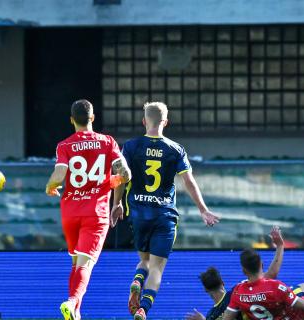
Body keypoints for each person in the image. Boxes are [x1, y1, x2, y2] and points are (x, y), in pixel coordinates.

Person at [110, 101, 220, 320]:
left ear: (144, 121)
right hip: (165, 215)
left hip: (140, 213)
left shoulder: (131, 147)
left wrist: (117, 203)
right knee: (157, 268)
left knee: (145, 261)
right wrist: (203, 210)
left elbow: (121, 177)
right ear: (166, 122)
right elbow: (189, 181)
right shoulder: (176, 149)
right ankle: (143, 309)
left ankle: (137, 281)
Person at [45, 99, 131, 320]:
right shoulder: (107, 142)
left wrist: (50, 186)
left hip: (70, 213)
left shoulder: (64, 145)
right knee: (86, 266)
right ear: (93, 118)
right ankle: (72, 303)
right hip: (95, 213)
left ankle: (76, 313)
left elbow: (59, 175)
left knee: (76, 264)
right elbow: (126, 175)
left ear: (71, 120)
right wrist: (114, 194)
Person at [187, 227, 304, 320]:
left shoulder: (214, 313)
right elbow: (272, 274)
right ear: (222, 283)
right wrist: (280, 246)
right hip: (280, 308)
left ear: (207, 291)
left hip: (273, 309)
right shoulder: (236, 291)